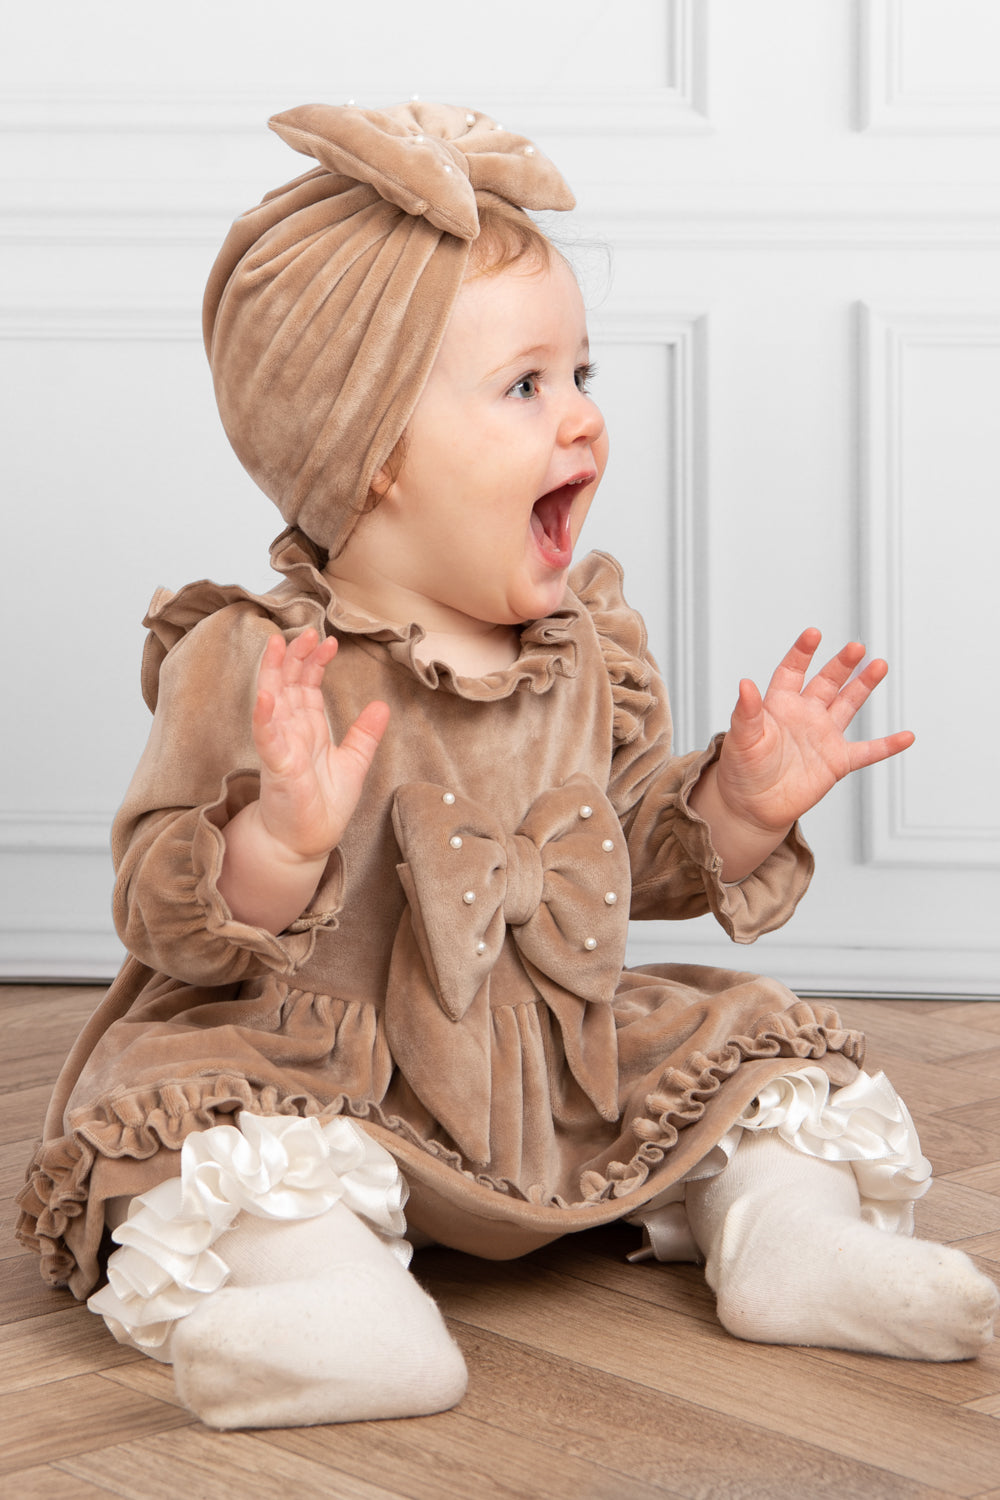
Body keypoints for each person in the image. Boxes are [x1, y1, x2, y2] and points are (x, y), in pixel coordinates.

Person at [18, 100, 998, 1431]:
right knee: (214, 1138)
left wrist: (740, 806)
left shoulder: (584, 643)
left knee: (762, 1061)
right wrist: (283, 843)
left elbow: (635, 852)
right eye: (527, 385)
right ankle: (336, 1308)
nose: (583, 419)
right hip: (329, 1060)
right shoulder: (257, 658)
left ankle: (790, 1241)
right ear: (373, 461)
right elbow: (162, 912)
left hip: (562, 1071)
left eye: (583, 373)